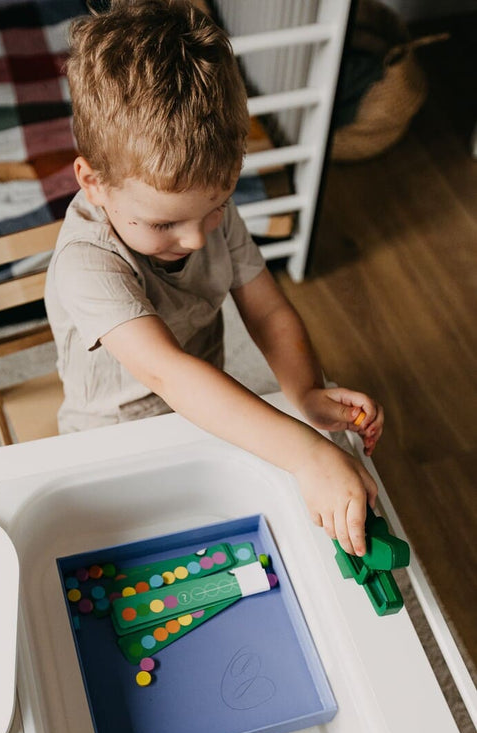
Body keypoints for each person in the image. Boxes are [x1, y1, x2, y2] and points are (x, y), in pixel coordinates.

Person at [45, 0, 384, 556]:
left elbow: (270, 311)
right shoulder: (87, 263)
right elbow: (173, 375)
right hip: (112, 439)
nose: (198, 237)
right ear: (93, 183)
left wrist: (305, 393)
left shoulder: (205, 212)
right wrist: (308, 452)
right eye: (163, 222)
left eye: (217, 207)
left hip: (207, 414)